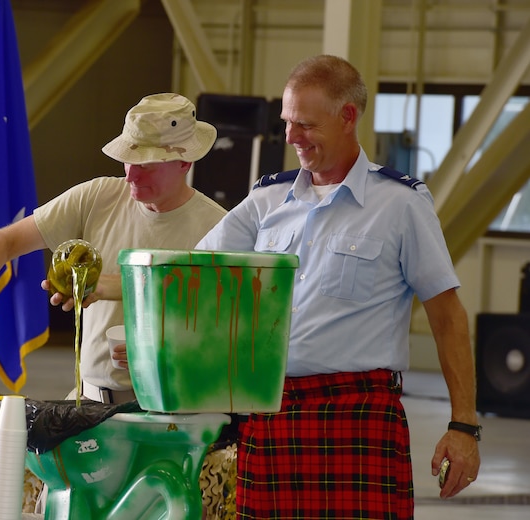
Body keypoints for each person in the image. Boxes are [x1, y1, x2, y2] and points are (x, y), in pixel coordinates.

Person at [196, 55, 481, 517]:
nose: (290, 138)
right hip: (268, 418)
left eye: (305, 124)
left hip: (358, 419)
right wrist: (95, 290)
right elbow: (188, 274)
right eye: (287, 122)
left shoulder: (401, 205)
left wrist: (464, 426)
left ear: (348, 117)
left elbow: (448, 317)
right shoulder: (266, 200)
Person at [0, 92, 227, 404]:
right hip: (88, 402)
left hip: (169, 415)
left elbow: (224, 336)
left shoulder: (218, 231)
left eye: (147, 164)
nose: (131, 175)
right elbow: (5, 242)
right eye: (128, 159)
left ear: (185, 161)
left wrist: (162, 347)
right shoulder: (97, 197)